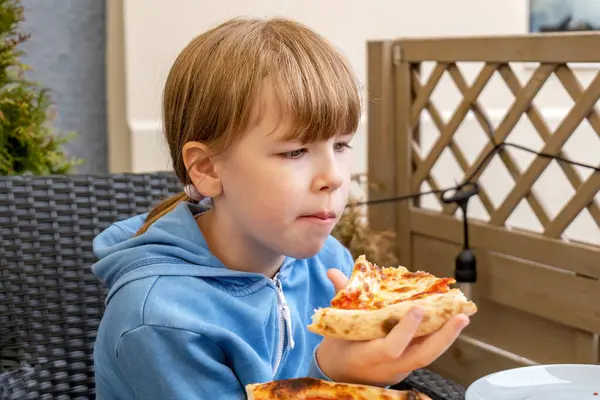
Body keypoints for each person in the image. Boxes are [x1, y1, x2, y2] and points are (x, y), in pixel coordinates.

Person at [92, 17, 470, 399]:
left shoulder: (328, 263)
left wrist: (372, 364)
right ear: (207, 169)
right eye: (295, 151)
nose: (334, 177)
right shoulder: (160, 321)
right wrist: (336, 378)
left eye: (340, 146)